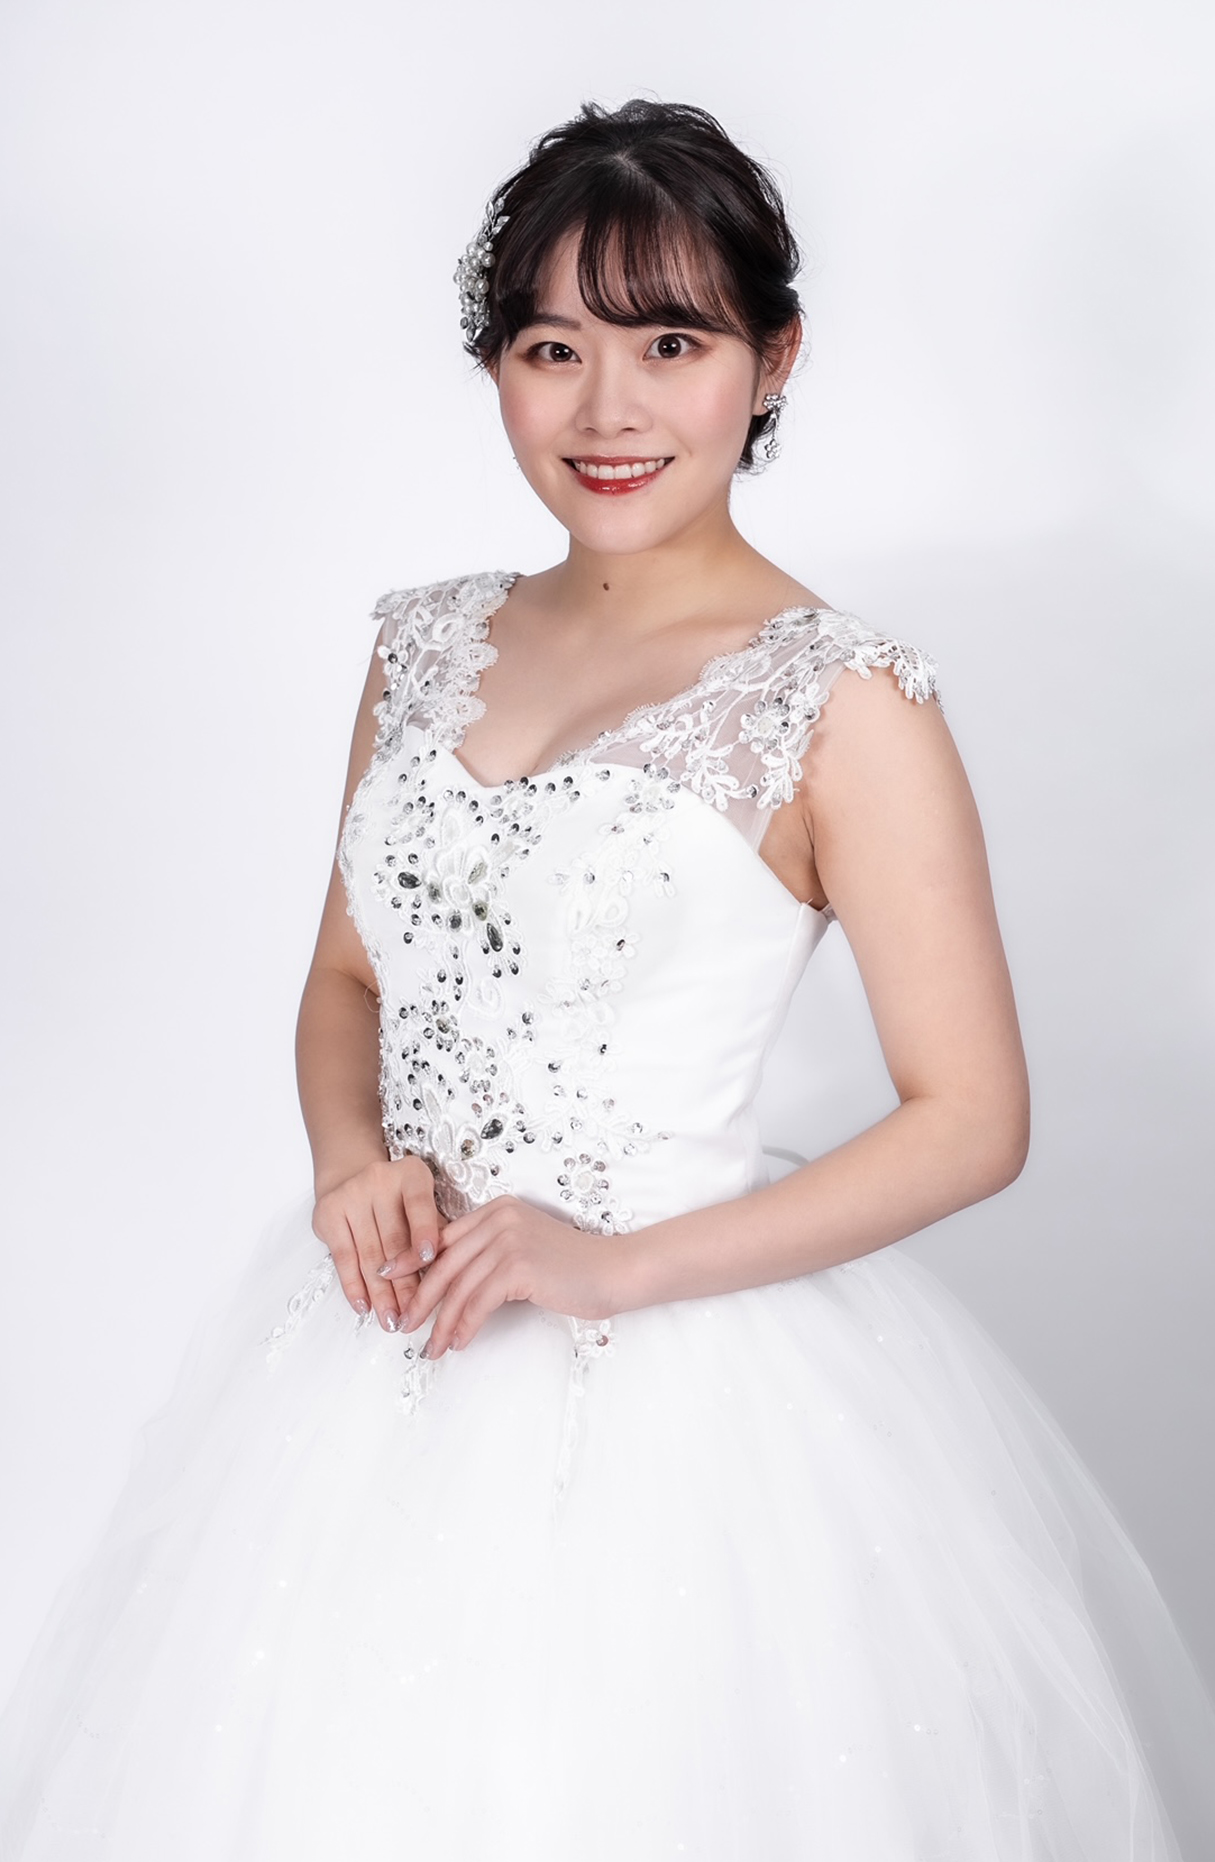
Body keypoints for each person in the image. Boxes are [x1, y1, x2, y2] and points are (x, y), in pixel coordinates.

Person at [2, 95, 1213, 1861]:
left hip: (679, 1381)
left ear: (773, 359)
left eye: (672, 343)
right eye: (551, 349)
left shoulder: (844, 701)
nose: (607, 410)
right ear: (497, 366)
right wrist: (349, 1161)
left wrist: (613, 1266)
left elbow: (973, 1118)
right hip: (369, 1351)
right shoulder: (423, 642)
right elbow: (346, 979)